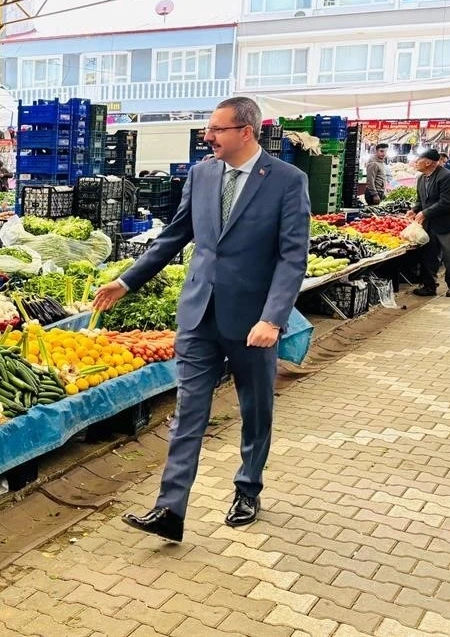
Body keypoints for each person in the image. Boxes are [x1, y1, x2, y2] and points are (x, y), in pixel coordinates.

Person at [92, 97, 310, 542]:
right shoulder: (202, 174)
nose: (208, 136)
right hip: (198, 315)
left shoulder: (287, 181)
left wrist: (273, 318)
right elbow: (174, 235)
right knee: (188, 411)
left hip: (253, 323)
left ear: (246, 131)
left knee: (255, 409)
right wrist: (127, 281)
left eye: (217, 129)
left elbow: (293, 257)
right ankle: (170, 509)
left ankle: (248, 489)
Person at [409, 148, 450, 298]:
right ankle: (429, 286)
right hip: (430, 224)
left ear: (428, 162)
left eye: (418, 160)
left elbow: (446, 202)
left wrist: (425, 213)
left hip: (449, 224)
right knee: (429, 255)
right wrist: (414, 209)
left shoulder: (447, 177)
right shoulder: (421, 178)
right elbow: (421, 200)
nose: (415, 163)